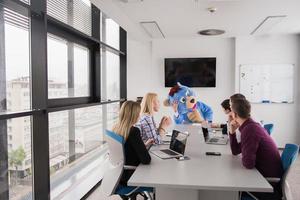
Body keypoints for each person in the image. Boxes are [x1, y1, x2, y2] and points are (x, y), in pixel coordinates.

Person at [229, 98, 283, 199]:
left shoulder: (250, 130)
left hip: (265, 183)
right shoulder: (250, 126)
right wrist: (232, 132)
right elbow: (236, 151)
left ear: (235, 115)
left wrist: (245, 153)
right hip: (263, 176)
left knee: (230, 179)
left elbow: (248, 164)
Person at [112, 101, 154, 186]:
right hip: (131, 175)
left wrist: (143, 145)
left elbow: (126, 149)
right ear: (134, 115)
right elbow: (146, 160)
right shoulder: (133, 131)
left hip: (119, 175)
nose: (140, 116)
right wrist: (144, 150)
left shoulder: (116, 128)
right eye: (138, 113)